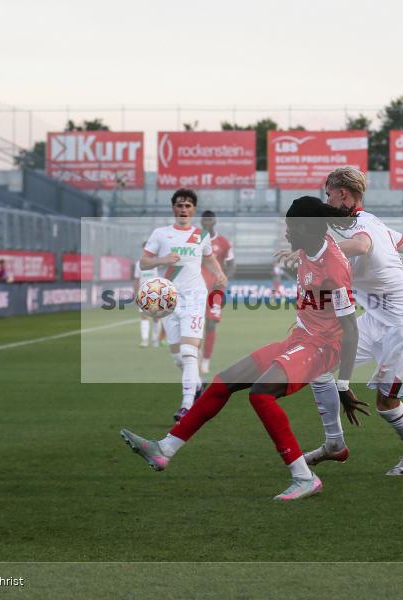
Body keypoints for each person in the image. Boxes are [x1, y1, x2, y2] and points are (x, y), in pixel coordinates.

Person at [120, 196, 359, 501]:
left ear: (305, 228)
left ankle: (304, 477)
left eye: (289, 228)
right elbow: (307, 265)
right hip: (300, 339)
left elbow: (350, 328)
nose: (285, 233)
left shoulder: (334, 267)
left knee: (261, 394)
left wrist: (344, 384)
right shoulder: (309, 246)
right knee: (223, 381)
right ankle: (164, 449)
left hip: (324, 347)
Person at [300, 167, 403, 477]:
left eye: (328, 195)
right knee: (319, 366)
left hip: (402, 326)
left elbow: (362, 247)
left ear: (342, 194)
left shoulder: (362, 226)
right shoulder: (375, 223)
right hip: (374, 319)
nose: (327, 201)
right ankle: (335, 445)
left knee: (386, 405)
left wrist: (312, 253)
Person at [138, 189, 228, 421]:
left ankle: (187, 405)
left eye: (188, 206)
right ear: (173, 208)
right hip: (167, 298)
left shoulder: (201, 235)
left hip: (195, 296)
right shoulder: (160, 234)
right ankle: (197, 385)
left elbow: (208, 257)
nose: (183, 209)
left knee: (189, 352)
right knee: (178, 356)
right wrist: (162, 260)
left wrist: (219, 273)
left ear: (194, 209)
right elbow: (144, 261)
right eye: (179, 205)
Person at [199, 210, 236, 375]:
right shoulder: (195, 241)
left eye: (209, 219)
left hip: (216, 289)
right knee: (196, 323)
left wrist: (224, 279)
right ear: (201, 221)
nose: (207, 221)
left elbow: (232, 264)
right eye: (204, 219)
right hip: (197, 288)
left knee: (211, 323)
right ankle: (196, 355)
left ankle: (206, 360)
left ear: (214, 221)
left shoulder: (223, 242)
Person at [133, 242, 162, 348]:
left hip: (156, 294)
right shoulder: (139, 264)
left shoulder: (158, 263)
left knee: (156, 317)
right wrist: (136, 293)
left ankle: (155, 340)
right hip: (143, 293)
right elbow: (136, 280)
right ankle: (144, 340)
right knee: (144, 316)